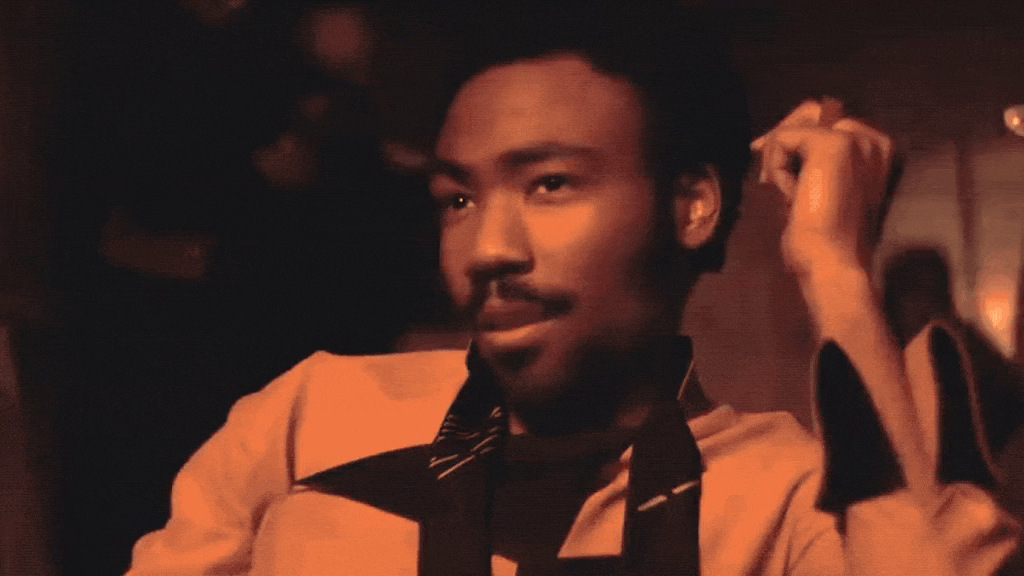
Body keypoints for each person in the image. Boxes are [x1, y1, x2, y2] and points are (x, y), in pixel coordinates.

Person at [126, 3, 1020, 575]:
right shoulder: (310, 418)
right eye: (458, 199)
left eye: (549, 184)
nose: (487, 248)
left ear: (693, 207)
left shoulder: (788, 498)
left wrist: (834, 268)